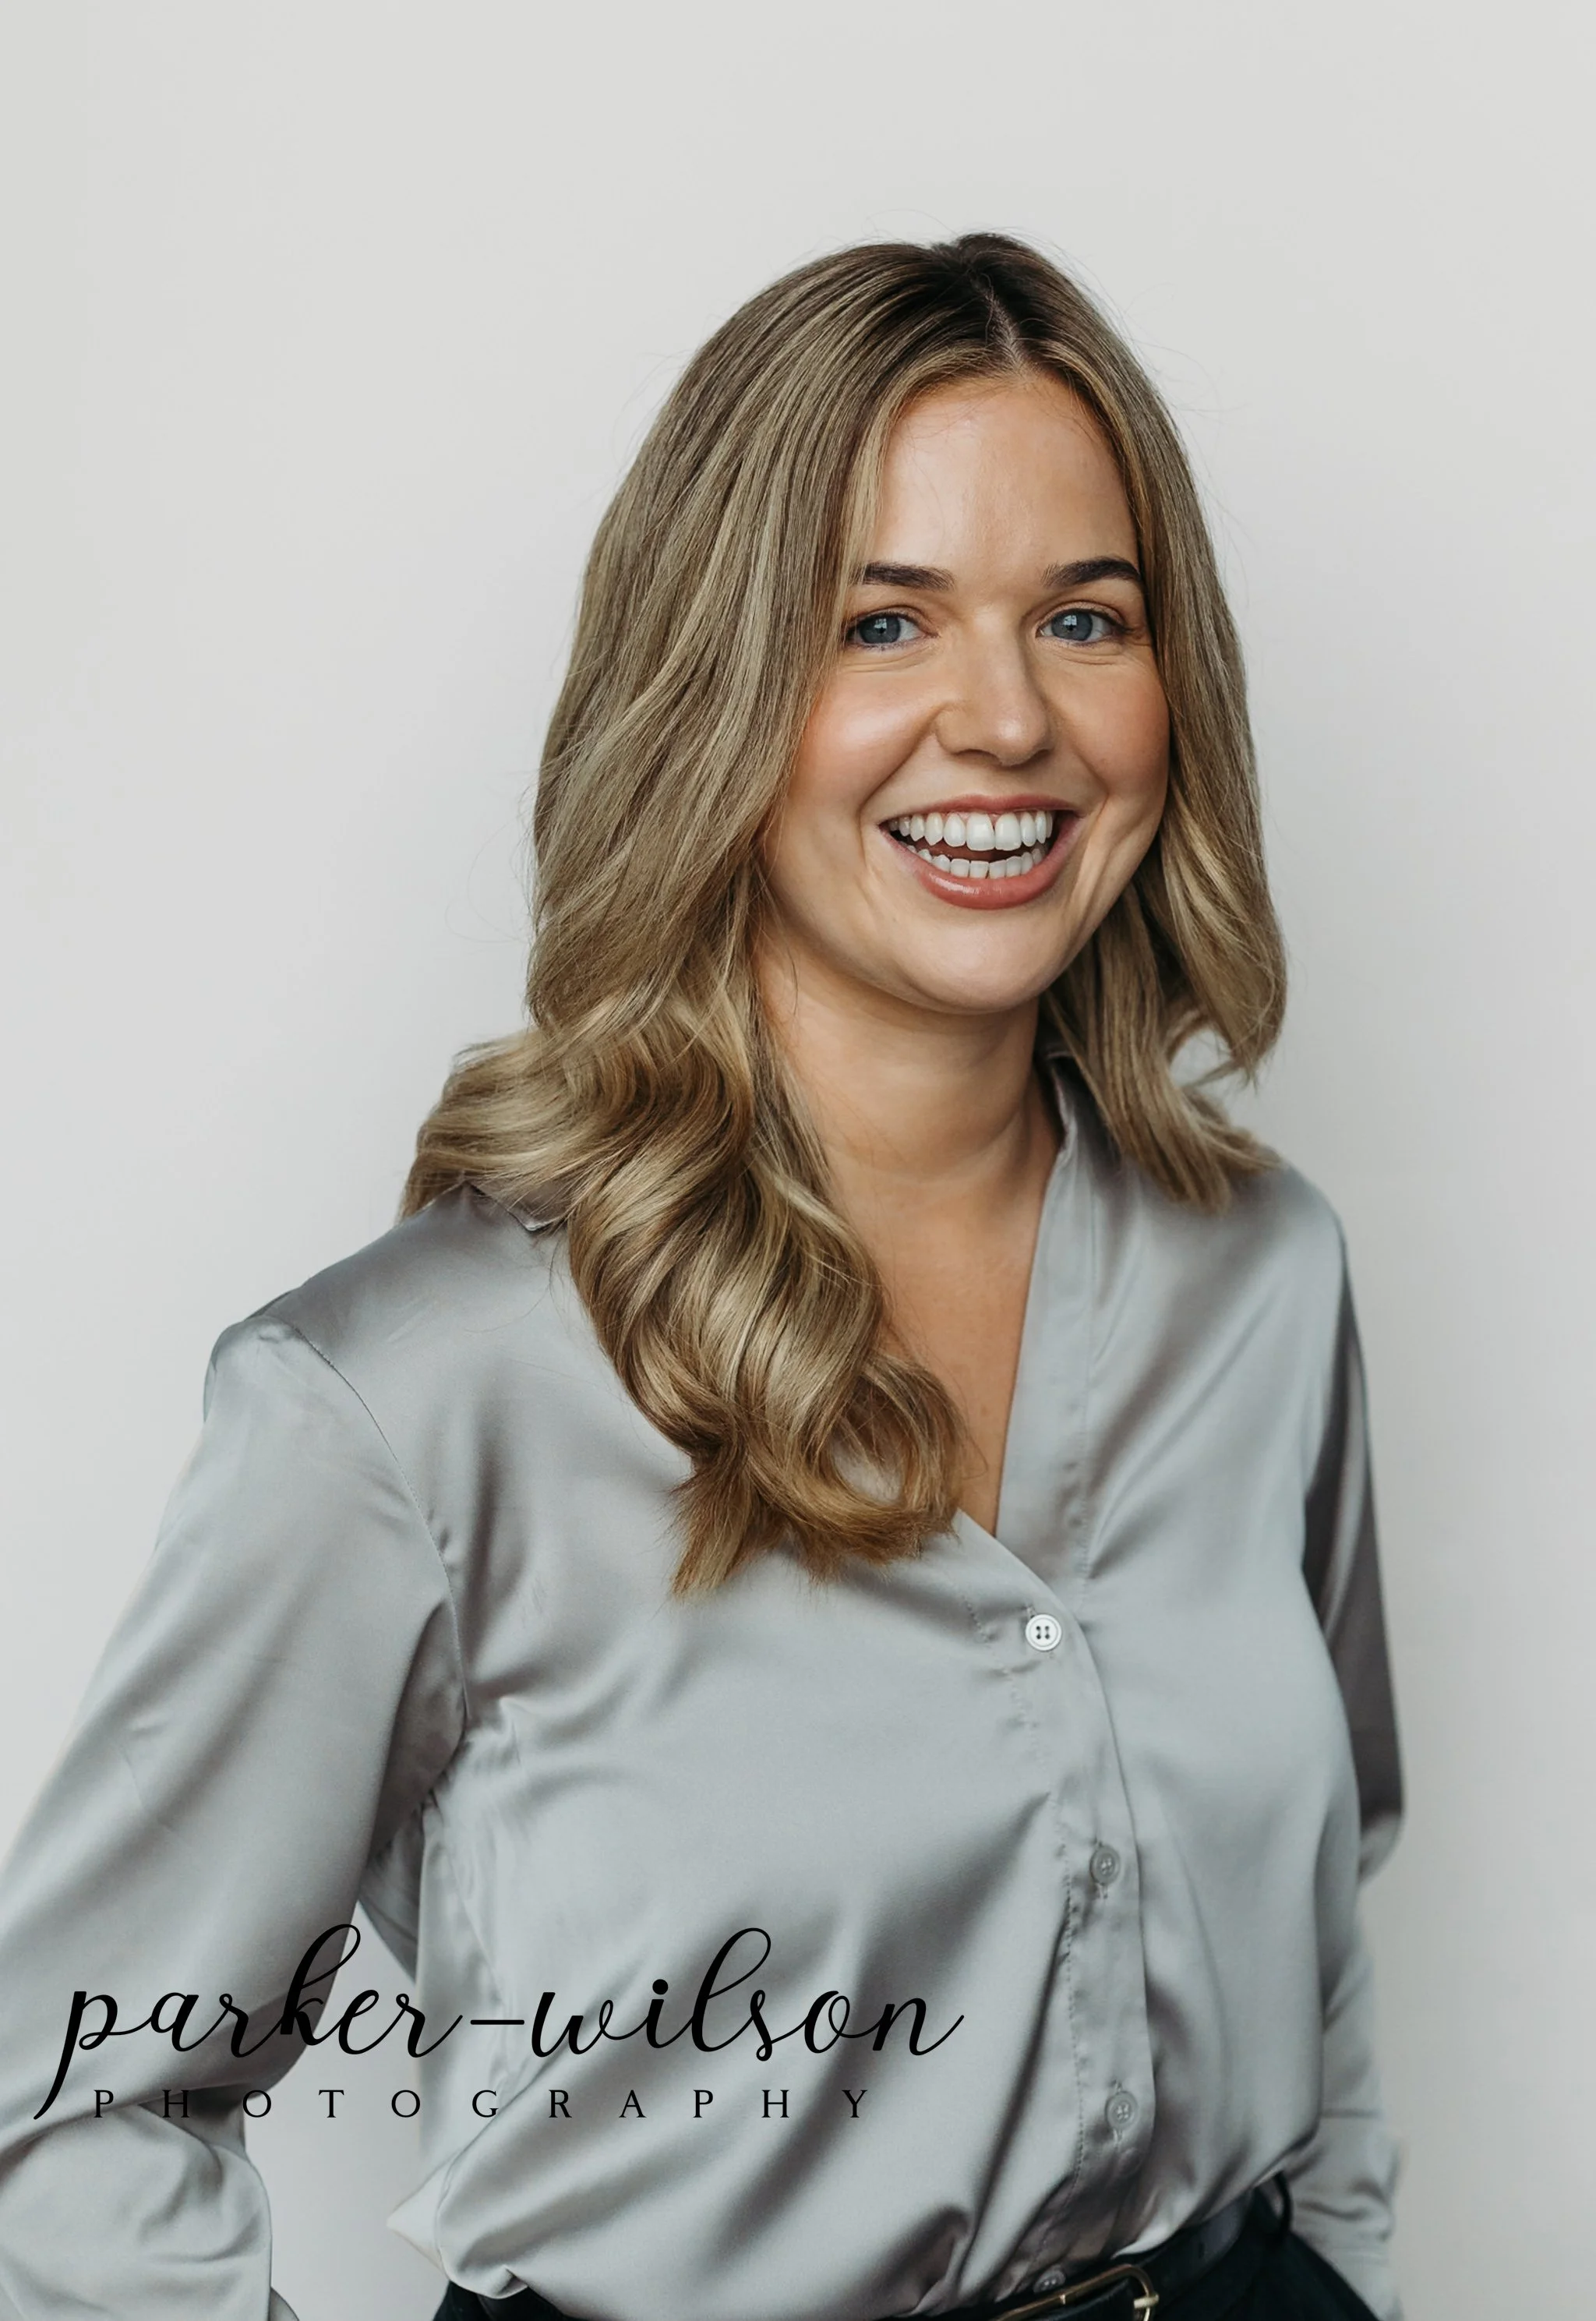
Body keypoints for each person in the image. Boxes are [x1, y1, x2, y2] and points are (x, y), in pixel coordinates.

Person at [0, 233, 1403, 2321]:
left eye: (1084, 618)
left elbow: (1324, 1902)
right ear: (716, 689)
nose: (1007, 718)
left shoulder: (1264, 1274)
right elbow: (71, 2115)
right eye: (881, 621)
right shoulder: (409, 1395)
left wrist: (1342, 2271)